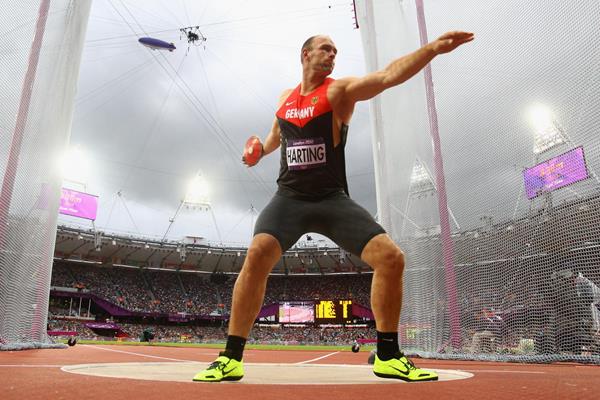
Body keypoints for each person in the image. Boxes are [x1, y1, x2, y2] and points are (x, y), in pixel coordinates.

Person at [193, 30, 474, 383]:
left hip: (330, 200)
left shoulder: (339, 92)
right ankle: (230, 357)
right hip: (289, 199)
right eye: (325, 49)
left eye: (335, 51)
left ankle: (388, 355)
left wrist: (431, 49)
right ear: (305, 54)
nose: (332, 55)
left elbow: (387, 76)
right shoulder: (284, 99)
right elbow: (273, 139)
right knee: (257, 253)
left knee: (391, 258)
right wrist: (257, 152)